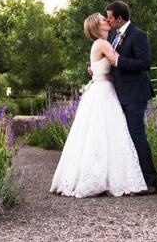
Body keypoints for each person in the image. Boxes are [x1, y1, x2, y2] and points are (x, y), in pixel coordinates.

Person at [50, 13, 147, 198]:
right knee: (107, 133)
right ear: (97, 26)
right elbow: (119, 59)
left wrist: (93, 68)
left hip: (101, 88)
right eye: (104, 19)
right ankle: (104, 177)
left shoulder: (102, 43)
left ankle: (103, 175)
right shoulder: (103, 43)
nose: (107, 21)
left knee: (101, 134)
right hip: (103, 91)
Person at [105, 0, 157, 193]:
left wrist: (120, 60)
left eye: (110, 17)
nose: (108, 20)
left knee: (137, 135)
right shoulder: (114, 36)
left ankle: (150, 182)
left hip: (136, 94)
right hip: (121, 93)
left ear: (120, 18)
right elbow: (112, 61)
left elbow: (145, 63)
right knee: (126, 136)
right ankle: (133, 179)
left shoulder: (137, 35)